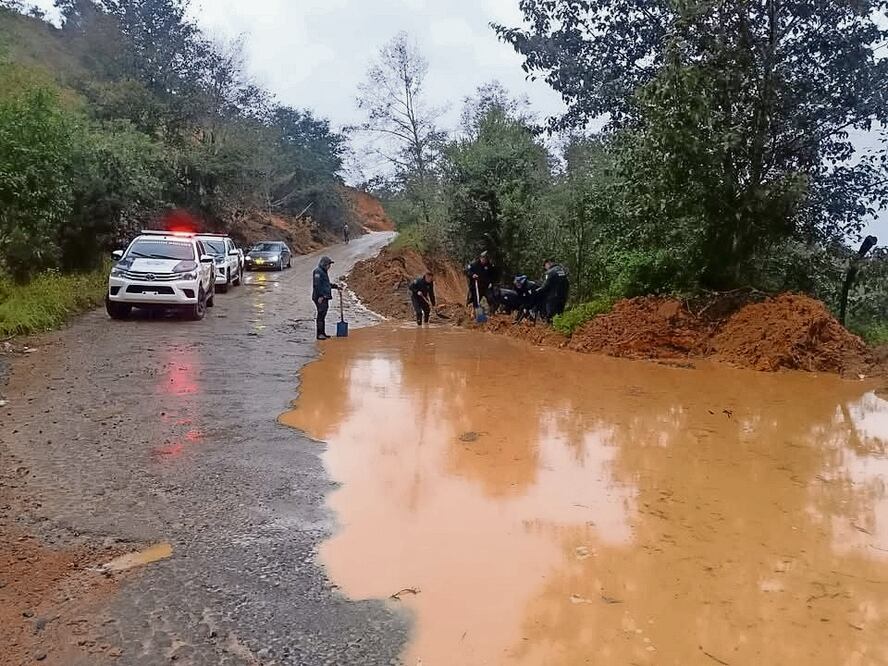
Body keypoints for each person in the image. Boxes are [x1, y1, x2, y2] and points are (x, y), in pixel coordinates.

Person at [312, 256, 340, 340]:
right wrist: (321, 296)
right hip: (320, 297)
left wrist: (335, 286)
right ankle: (319, 334)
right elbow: (317, 285)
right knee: (321, 315)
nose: (329, 266)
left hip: (324, 297)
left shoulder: (323, 272)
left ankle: (322, 333)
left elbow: (326, 284)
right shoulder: (318, 272)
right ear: (324, 264)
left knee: (323, 315)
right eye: (328, 264)